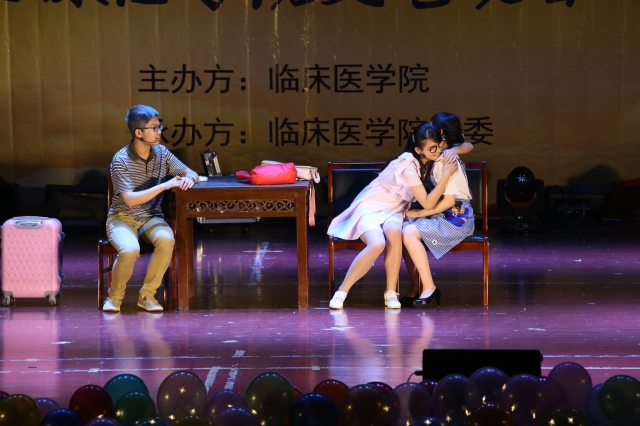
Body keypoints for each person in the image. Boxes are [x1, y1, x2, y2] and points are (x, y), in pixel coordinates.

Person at [327, 123, 464, 310]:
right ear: (418, 150)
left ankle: (391, 292)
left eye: (439, 145)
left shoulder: (429, 158)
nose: (438, 151)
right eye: (432, 148)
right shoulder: (407, 164)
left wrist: (452, 151)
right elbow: (427, 203)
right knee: (377, 243)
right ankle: (342, 291)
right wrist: (447, 175)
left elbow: (466, 146)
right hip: (372, 206)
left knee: (394, 233)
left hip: (395, 209)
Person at [102, 105, 199, 313]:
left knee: (166, 239)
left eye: (159, 127)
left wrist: (189, 179)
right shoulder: (121, 159)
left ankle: (147, 295)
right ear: (139, 133)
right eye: (154, 128)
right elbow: (129, 200)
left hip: (151, 217)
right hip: (122, 217)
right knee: (130, 250)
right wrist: (164, 185)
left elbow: (191, 172)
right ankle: (115, 297)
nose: (159, 132)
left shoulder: (162, 153)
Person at [400, 114, 476, 308]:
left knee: (409, 232)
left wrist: (418, 214)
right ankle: (416, 286)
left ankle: (429, 287)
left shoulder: (447, 159)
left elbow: (450, 201)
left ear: (440, 133)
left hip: (457, 215)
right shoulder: (437, 155)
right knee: (403, 229)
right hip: (440, 211)